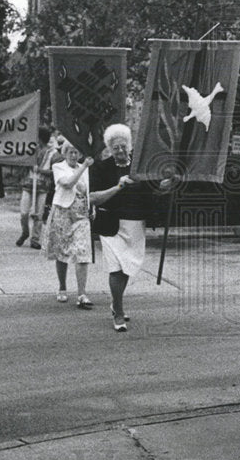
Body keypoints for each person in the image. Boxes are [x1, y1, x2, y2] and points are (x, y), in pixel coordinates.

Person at [89, 123, 174, 333]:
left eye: (123, 146)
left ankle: (116, 302)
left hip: (136, 224)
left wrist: (169, 183)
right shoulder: (101, 168)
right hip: (111, 226)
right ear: (109, 148)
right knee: (116, 268)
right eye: (115, 147)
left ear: (129, 145)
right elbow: (93, 198)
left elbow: (156, 188)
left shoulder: (140, 165)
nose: (120, 151)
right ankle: (118, 310)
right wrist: (118, 186)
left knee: (127, 267)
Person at [42, 140, 95, 309]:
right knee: (62, 250)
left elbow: (88, 191)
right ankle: (62, 286)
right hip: (63, 212)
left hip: (81, 215)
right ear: (65, 153)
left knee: (82, 251)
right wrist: (84, 167)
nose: (74, 155)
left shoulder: (84, 168)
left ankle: (82, 293)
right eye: (70, 152)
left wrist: (92, 207)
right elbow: (68, 183)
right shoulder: (59, 167)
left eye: (76, 152)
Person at [17, 126, 53, 248]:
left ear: (40, 138)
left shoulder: (53, 153)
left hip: (43, 186)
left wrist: (41, 171)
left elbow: (55, 171)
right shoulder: (31, 149)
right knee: (24, 212)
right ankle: (25, 232)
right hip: (28, 185)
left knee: (39, 214)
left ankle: (35, 239)